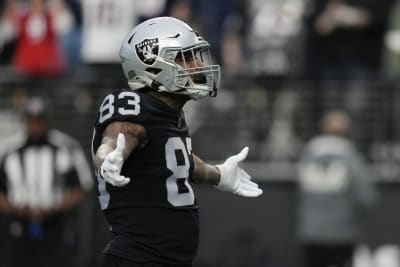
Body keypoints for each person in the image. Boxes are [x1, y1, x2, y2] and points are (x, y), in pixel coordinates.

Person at [91, 16, 263, 267]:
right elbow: (120, 135)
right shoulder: (133, 108)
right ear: (151, 65)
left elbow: (174, 159)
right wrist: (107, 158)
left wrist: (218, 174)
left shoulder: (166, 113)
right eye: (186, 57)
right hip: (136, 259)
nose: (197, 65)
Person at [0, 97, 93, 267]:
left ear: (47, 121)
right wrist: (17, 210)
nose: (35, 126)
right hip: (16, 225)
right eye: (31, 121)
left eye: (40, 121)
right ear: (25, 121)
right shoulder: (7, 149)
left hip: (56, 226)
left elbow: (81, 188)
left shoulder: (66, 146)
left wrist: (54, 209)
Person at [295, 110, 378, 267]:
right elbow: (366, 197)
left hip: (311, 232)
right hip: (341, 233)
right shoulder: (349, 155)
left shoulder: (309, 152)